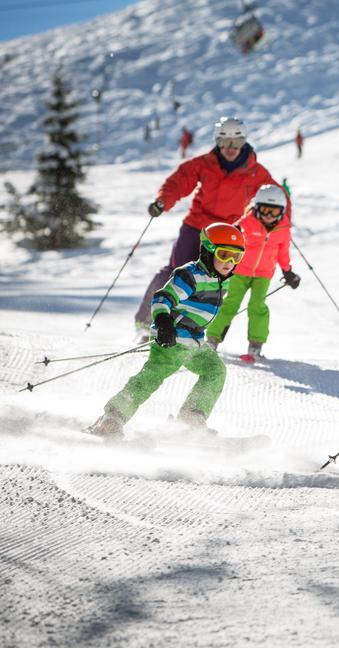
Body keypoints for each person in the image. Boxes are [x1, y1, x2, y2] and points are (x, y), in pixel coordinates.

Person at [88, 224, 247, 439]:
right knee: (151, 378)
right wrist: (163, 323)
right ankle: (112, 419)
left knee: (215, 371)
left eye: (236, 257)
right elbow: (163, 297)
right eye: (224, 254)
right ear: (208, 251)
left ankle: (191, 418)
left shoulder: (221, 280)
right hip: (173, 339)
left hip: (195, 342)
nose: (229, 263)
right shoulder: (190, 275)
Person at [135, 116, 284, 341]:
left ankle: (190, 331)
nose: (230, 148)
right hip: (197, 227)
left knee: (217, 282)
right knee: (176, 272)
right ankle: (147, 324)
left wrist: (280, 221)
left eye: (235, 143)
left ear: (243, 142)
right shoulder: (205, 163)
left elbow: (275, 196)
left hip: (229, 233)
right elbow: (180, 180)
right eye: (225, 143)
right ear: (217, 142)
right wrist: (163, 200)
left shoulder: (256, 172)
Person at [206, 184, 300, 362]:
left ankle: (255, 345)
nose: (268, 216)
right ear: (256, 207)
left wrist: (288, 272)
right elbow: (232, 237)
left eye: (273, 212)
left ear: (281, 211)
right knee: (230, 304)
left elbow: (283, 252)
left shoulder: (283, 229)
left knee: (257, 306)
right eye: (265, 210)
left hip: (263, 274)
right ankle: (212, 339)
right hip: (240, 271)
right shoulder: (247, 222)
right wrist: (233, 232)